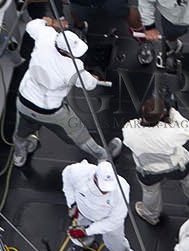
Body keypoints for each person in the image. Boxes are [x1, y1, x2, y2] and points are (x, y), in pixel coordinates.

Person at [12, 19, 122, 167]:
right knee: (79, 134)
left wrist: (50, 22)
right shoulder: (74, 68)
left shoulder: (46, 36)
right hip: (50, 111)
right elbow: (89, 85)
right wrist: (94, 78)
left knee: (22, 129)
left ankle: (19, 154)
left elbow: (31, 25)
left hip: (24, 101)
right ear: (66, 51)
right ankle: (103, 155)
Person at [121, 91, 189, 226]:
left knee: (150, 192)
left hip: (148, 171)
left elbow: (134, 127)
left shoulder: (129, 130)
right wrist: (172, 111)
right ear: (162, 115)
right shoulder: (171, 132)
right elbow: (187, 130)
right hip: (176, 167)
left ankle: (151, 214)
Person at [62, 158, 138, 251]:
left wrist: (87, 230)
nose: (105, 192)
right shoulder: (80, 172)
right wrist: (72, 203)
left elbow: (115, 220)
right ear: (95, 177)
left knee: (116, 245)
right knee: (79, 235)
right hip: (84, 212)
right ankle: (81, 245)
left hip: (108, 221)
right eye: (103, 188)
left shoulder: (122, 188)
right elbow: (66, 175)